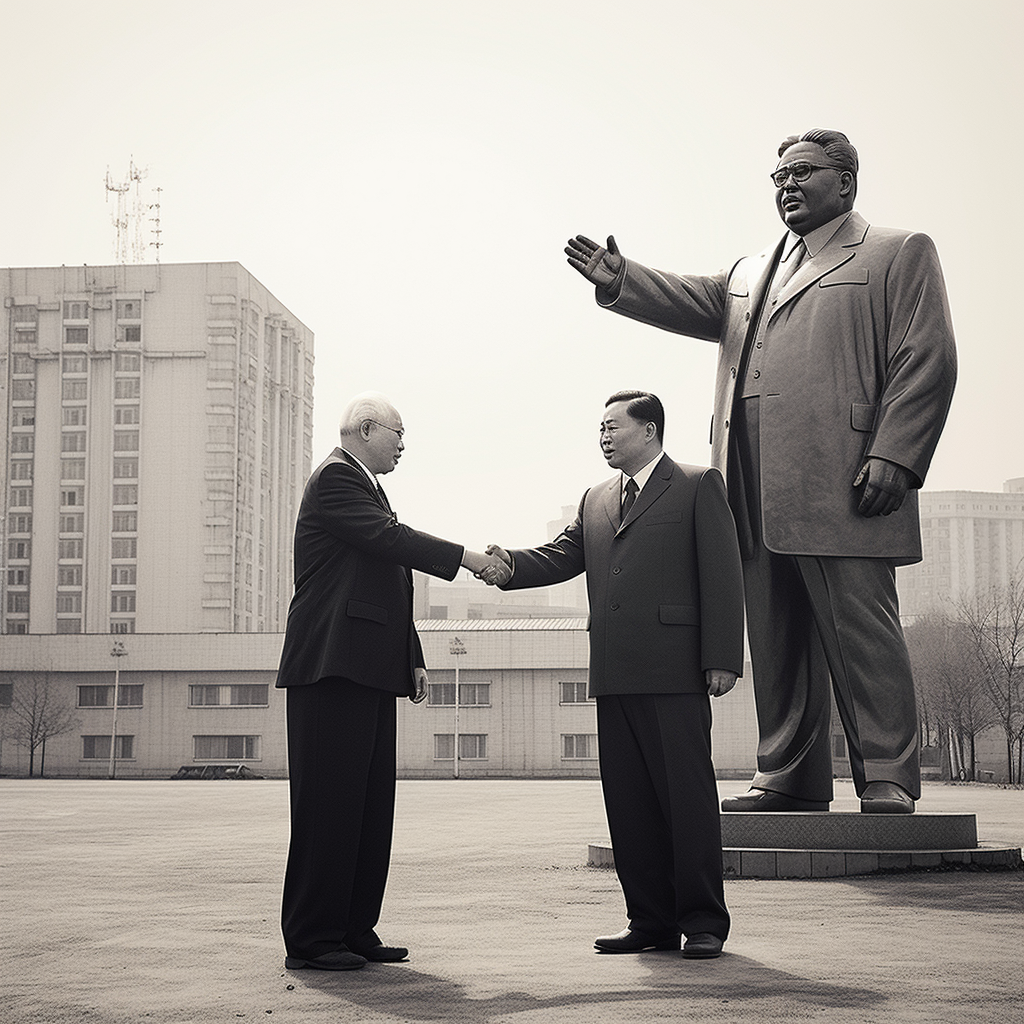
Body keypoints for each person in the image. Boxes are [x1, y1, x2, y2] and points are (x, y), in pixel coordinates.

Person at [565, 129, 957, 815]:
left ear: (846, 181)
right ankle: (787, 774)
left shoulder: (897, 251)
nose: (786, 186)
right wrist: (623, 281)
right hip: (749, 482)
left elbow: (928, 357)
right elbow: (693, 299)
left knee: (861, 633)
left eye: (803, 172)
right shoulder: (751, 271)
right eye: (777, 176)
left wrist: (895, 453)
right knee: (775, 638)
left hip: (847, 480)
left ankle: (888, 775)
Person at [484, 391, 744, 960]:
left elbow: (723, 574)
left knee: (687, 800)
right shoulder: (595, 498)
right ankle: (649, 920)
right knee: (628, 803)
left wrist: (722, 655)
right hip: (614, 671)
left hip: (675, 670)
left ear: (648, 430)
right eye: (599, 427)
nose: (602, 435)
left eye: (612, 426)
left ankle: (702, 921)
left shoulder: (699, 485)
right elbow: (561, 556)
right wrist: (508, 567)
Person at [277, 391, 502, 971]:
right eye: (398, 433)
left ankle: (354, 928)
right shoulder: (334, 478)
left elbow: (387, 578)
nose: (404, 445)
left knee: (369, 805)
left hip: (367, 665)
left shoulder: (369, 489)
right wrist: (470, 559)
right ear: (366, 428)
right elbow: (391, 543)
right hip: (331, 666)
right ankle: (313, 936)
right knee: (329, 804)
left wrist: (412, 654)